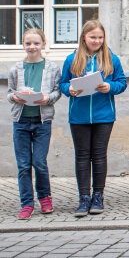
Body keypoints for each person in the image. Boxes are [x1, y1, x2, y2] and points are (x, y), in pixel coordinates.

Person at [59, 20, 128, 217]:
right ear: (84, 38)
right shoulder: (71, 59)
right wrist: (69, 90)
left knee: (99, 156)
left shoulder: (111, 59)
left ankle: (98, 195)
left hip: (104, 115)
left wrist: (110, 87)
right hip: (79, 116)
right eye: (92, 37)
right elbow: (63, 84)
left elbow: (121, 83)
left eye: (100, 37)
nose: (96, 41)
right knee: (82, 156)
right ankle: (84, 197)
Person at [8, 29, 61, 219]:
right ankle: (27, 203)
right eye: (28, 43)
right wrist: (14, 97)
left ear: (43, 44)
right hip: (20, 121)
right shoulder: (16, 68)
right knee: (23, 164)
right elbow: (9, 93)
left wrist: (47, 98)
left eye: (36, 43)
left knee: (39, 162)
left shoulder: (52, 68)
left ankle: (45, 198)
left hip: (42, 120)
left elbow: (57, 92)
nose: (32, 47)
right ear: (23, 44)